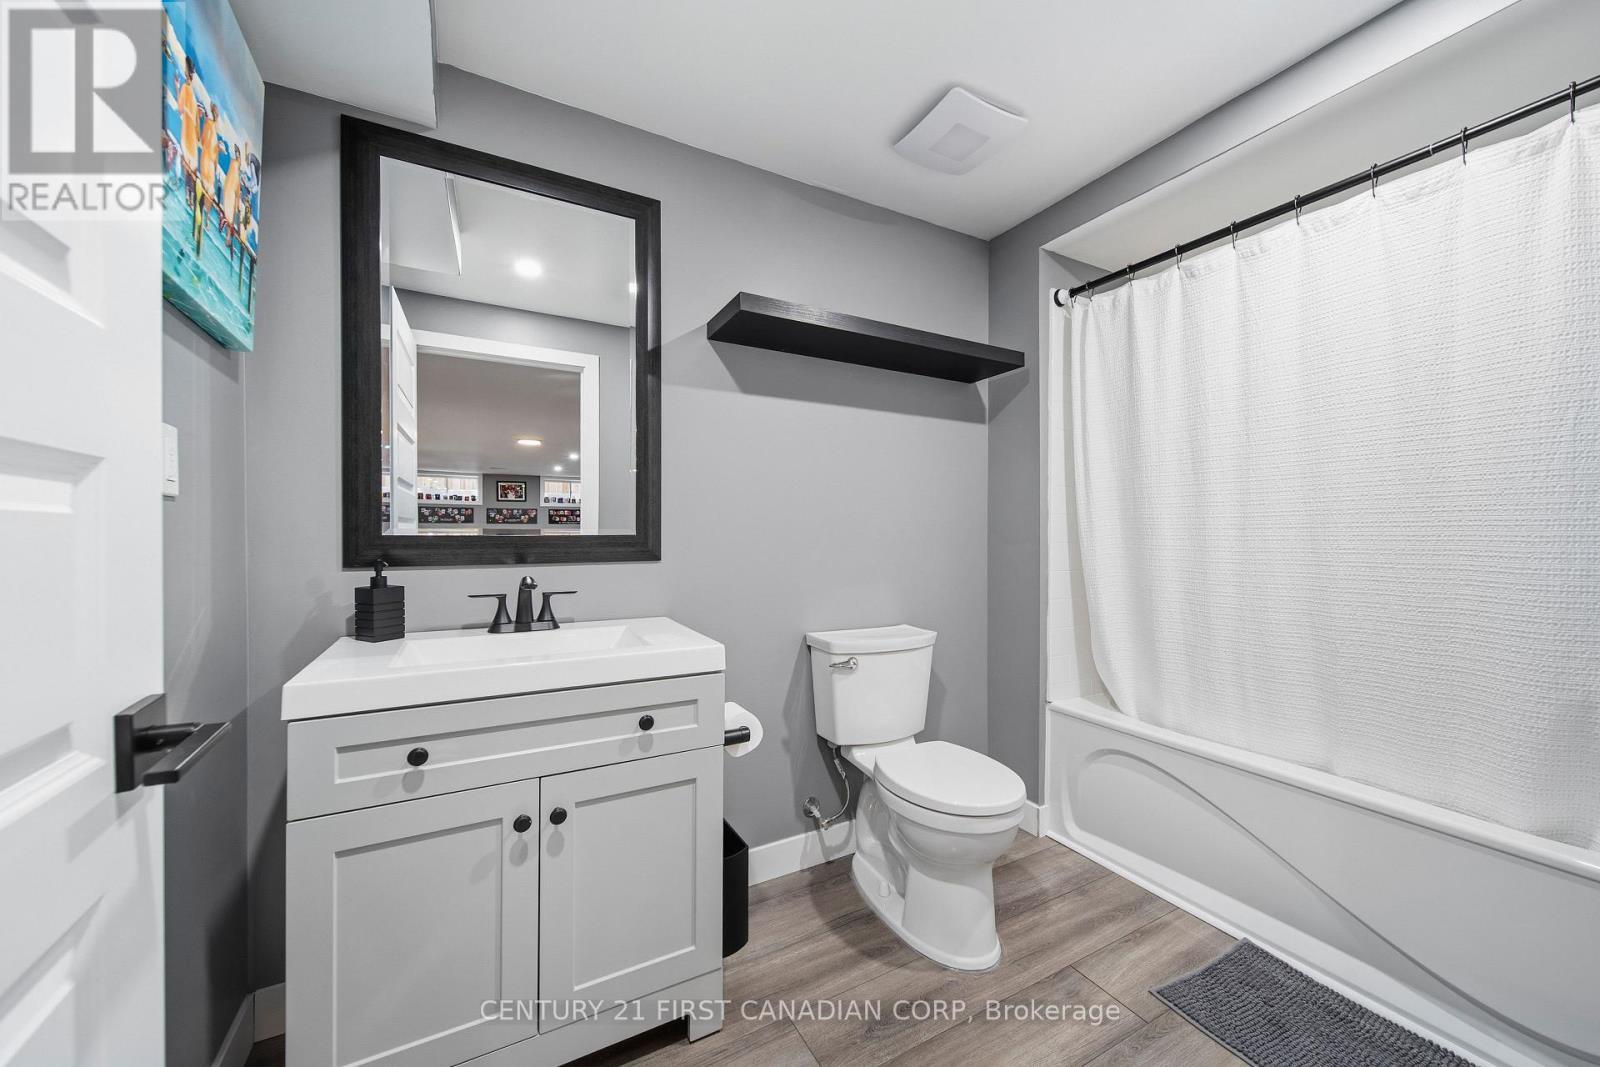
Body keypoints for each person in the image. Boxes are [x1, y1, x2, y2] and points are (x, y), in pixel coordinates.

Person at [196, 102, 221, 253]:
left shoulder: (212, 128)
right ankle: (204, 219)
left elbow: (214, 152)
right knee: (207, 189)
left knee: (210, 191)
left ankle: (205, 218)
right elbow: (203, 141)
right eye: (215, 113)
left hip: (209, 163)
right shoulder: (209, 125)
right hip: (207, 161)